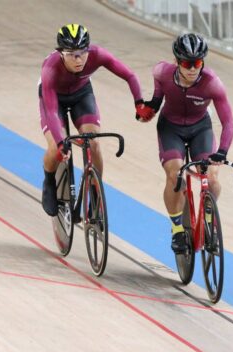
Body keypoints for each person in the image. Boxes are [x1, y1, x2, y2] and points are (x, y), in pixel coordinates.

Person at [39, 24, 153, 216]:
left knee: (93, 143)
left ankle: (94, 191)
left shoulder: (97, 54)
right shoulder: (50, 67)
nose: (79, 59)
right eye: (72, 54)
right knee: (54, 147)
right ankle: (49, 181)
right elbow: (50, 111)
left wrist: (139, 102)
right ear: (61, 53)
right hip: (54, 100)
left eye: (82, 53)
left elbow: (129, 75)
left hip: (81, 94)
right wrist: (60, 143)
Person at [138, 34, 233, 254]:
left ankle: (208, 220)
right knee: (175, 176)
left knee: (211, 177)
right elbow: (157, 96)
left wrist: (222, 152)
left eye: (197, 63)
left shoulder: (213, 84)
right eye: (187, 63)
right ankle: (176, 229)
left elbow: (228, 122)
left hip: (200, 128)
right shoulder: (162, 72)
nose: (192, 69)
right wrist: (150, 108)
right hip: (171, 128)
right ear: (176, 61)